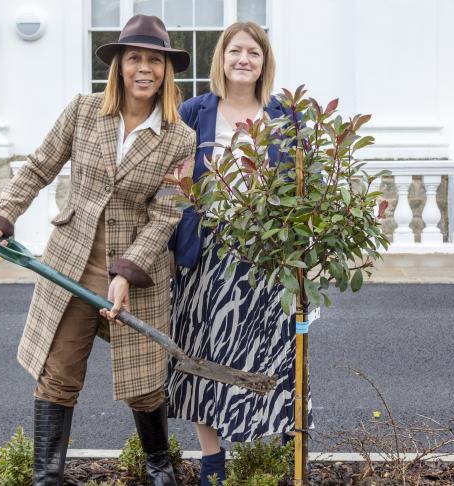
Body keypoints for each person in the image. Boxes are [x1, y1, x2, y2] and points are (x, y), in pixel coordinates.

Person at [0, 14, 195, 486]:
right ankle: (46, 476)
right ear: (118, 65)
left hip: (136, 274)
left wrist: (126, 271)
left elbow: (166, 215)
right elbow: (38, 167)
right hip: (71, 266)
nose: (144, 68)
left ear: (166, 70)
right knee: (58, 376)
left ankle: (158, 464)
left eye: (154, 60)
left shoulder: (180, 136)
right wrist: (1, 217)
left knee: (145, 383)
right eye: (134, 57)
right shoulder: (83, 111)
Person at [167, 21, 312, 486]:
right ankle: (212, 462)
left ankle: (271, 451)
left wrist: (302, 249)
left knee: (270, 352)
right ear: (222, 59)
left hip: (267, 255)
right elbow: (171, 182)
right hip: (205, 254)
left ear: (264, 61)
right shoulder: (193, 112)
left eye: (253, 51)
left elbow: (301, 189)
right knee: (202, 354)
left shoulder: (285, 117)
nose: (243, 59)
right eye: (235, 51)